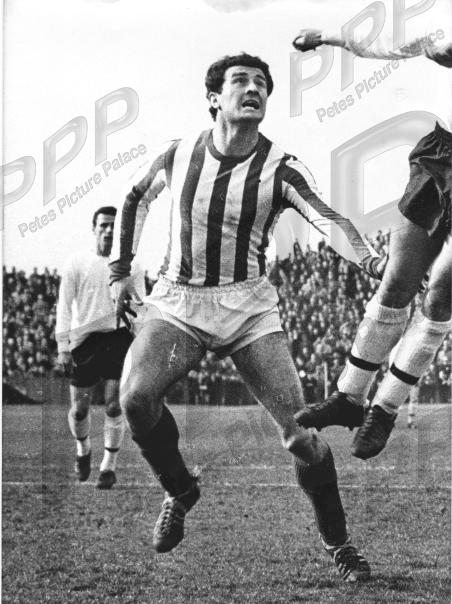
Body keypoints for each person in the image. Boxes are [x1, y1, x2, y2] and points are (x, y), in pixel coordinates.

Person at [109, 53, 381, 582]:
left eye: (261, 83)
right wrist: (121, 270)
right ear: (215, 98)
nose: (253, 88)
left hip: (249, 307)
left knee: (300, 434)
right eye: (240, 80)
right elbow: (135, 197)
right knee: (135, 398)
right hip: (179, 301)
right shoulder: (178, 153)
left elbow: (327, 219)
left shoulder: (281, 167)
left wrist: (369, 259)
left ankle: (340, 545)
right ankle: (180, 490)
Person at [292, 3, 451, 459]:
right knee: (397, 280)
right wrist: (329, 37)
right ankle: (349, 396)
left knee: (440, 295)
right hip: (443, 152)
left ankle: (384, 409)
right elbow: (393, 43)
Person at [56, 207, 144, 489]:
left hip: (118, 338)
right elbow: (64, 306)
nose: (108, 230)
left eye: (113, 226)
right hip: (84, 341)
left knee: (114, 404)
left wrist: (141, 343)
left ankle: (108, 466)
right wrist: (63, 346)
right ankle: (83, 450)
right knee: (79, 410)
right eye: (103, 225)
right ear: (93, 229)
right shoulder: (77, 262)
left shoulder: (133, 266)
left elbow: (140, 308)